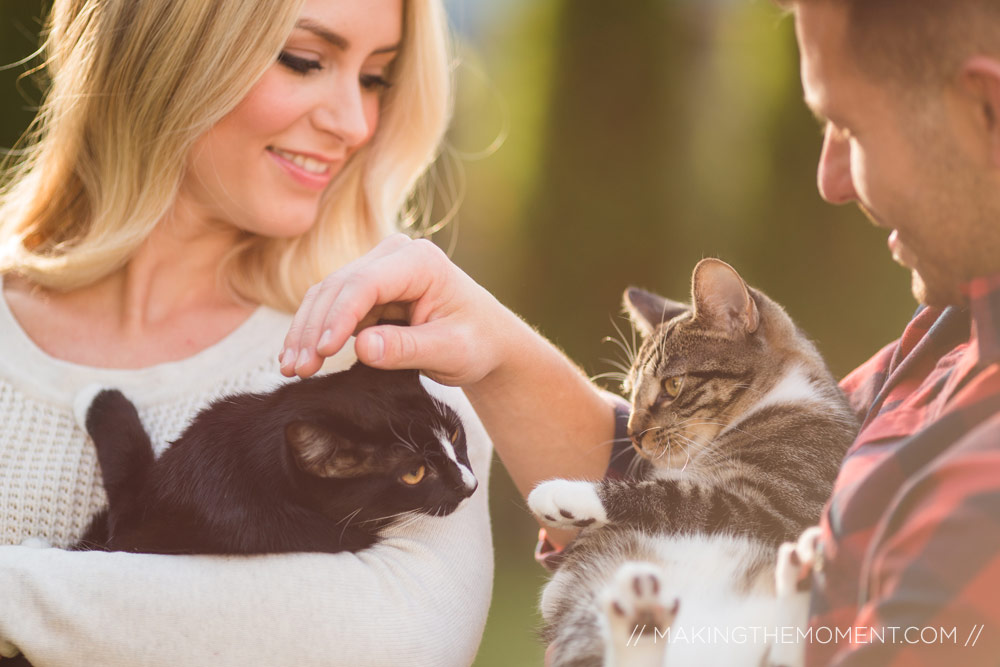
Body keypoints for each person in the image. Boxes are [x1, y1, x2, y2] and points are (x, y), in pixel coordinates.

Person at [283, 1, 1000, 665]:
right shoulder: (938, 342)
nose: (830, 179)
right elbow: (710, 490)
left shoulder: (981, 480)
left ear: (987, 109)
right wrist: (494, 347)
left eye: (849, 127)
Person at [0, 0, 494, 665]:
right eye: (304, 60)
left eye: (376, 78)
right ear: (165, 42)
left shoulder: (388, 348)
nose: (353, 123)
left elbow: (406, 636)